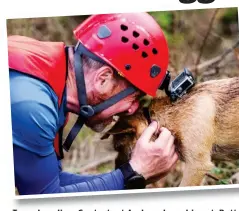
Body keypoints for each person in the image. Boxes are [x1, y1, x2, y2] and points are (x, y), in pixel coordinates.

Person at [9, 13, 178, 195]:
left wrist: (133, 174)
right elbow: (45, 199)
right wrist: (133, 173)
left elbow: (50, 181)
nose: (132, 108)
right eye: (134, 97)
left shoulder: (50, 77)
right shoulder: (32, 104)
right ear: (103, 79)